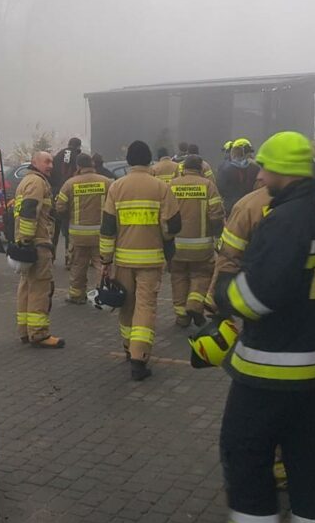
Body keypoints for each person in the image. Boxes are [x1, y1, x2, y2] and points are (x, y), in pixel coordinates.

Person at [208, 132, 315, 523]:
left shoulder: (286, 221)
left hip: (271, 371)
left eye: (266, 168)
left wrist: (223, 292)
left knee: (245, 454)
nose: (259, 175)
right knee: (307, 464)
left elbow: (256, 297)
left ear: (284, 172)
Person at [100, 140, 180, 380]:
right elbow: (172, 226)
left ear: (128, 161)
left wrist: (105, 260)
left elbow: (107, 228)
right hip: (151, 261)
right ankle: (139, 358)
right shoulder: (161, 188)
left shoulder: (116, 187)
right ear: (149, 160)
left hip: (123, 260)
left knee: (127, 306)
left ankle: (128, 347)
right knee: (145, 308)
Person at [14, 150, 64, 348]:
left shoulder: (26, 181)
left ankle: (25, 330)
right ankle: (39, 333)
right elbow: (29, 211)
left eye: (51, 162)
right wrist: (27, 241)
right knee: (40, 288)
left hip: (28, 243)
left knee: (26, 287)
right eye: (46, 162)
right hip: (38, 243)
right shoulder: (37, 182)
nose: (51, 165)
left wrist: (22, 242)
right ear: (34, 162)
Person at [168, 155, 224, 328]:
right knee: (201, 275)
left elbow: (164, 214)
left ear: (183, 168)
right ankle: (194, 305)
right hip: (201, 245)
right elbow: (216, 214)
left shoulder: (171, 185)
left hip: (175, 245)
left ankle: (181, 317)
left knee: (178, 277)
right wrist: (217, 235)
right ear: (201, 168)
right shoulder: (208, 185)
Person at [55, 153, 112, 304]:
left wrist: (69, 215)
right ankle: (103, 296)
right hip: (101, 234)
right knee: (102, 265)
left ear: (78, 166)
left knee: (78, 265)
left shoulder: (70, 184)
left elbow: (60, 207)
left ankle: (76, 295)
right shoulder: (106, 182)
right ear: (92, 164)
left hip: (78, 235)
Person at [51, 137, 83, 254]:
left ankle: (52, 254)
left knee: (55, 228)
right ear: (78, 146)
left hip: (55, 193)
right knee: (68, 229)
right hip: (70, 194)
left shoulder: (59, 155)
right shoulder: (77, 157)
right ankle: (68, 255)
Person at [216, 139, 260, 213]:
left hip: (231, 205)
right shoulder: (255, 168)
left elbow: (220, 187)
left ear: (232, 155)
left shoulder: (225, 169)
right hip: (250, 204)